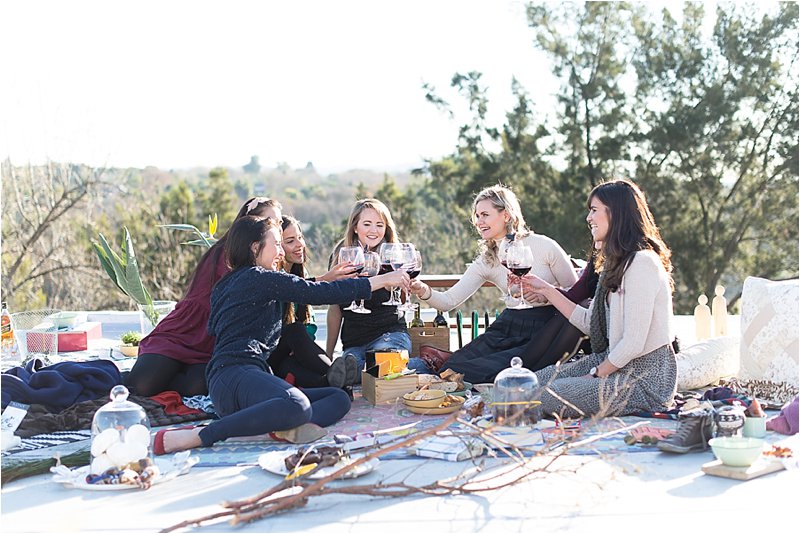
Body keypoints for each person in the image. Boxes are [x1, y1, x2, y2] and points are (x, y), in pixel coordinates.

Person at [153, 215, 409, 454]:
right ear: (255, 248)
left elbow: (305, 289)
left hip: (242, 381)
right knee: (297, 404)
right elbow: (317, 293)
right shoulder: (258, 277)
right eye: (276, 243)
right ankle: (203, 435)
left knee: (339, 397)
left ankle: (266, 430)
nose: (281, 251)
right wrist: (382, 281)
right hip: (235, 377)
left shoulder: (231, 283)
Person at [527, 179, 677, 419]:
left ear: (615, 214)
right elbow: (590, 323)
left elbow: (634, 342)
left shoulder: (642, 263)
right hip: (611, 363)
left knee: (546, 395)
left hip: (643, 381)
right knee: (528, 382)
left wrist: (595, 374)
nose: (589, 218)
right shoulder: (614, 265)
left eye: (594, 210)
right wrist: (547, 290)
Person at [409, 184, 578, 384]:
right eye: (477, 216)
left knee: (499, 376)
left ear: (505, 215)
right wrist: (422, 290)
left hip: (547, 328)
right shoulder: (487, 261)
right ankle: (446, 359)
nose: (479, 222)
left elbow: (577, 293)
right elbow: (448, 301)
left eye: (485, 215)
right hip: (508, 327)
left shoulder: (544, 245)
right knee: (452, 372)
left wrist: (547, 294)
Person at [126, 197, 283, 397]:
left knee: (197, 388)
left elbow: (291, 290)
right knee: (141, 386)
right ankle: (154, 373)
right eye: (269, 220)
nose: (275, 226)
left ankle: (168, 376)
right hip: (185, 330)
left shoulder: (272, 259)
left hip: (213, 344)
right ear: (248, 221)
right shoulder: (223, 252)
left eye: (278, 222)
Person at [325, 199, 411, 382]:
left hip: (389, 335)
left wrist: (394, 284)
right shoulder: (342, 255)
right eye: (367, 224)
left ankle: (416, 366)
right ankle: (411, 368)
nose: (374, 230)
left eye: (380, 225)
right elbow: (335, 309)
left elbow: (401, 298)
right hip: (355, 341)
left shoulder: (392, 255)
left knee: (383, 362)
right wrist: (328, 354)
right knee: (353, 363)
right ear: (355, 227)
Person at [271, 215, 359, 389]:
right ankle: (335, 371)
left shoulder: (298, 274)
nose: (299, 245)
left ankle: (335, 382)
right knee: (295, 331)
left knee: (290, 366)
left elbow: (309, 330)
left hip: (286, 360)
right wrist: (325, 279)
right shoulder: (273, 279)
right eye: (290, 241)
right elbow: (297, 291)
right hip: (269, 355)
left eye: (300, 237)